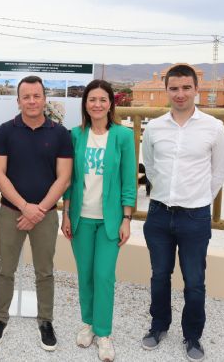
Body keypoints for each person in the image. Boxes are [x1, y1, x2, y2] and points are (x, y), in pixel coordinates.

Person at [141, 64, 224, 361]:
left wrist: (199, 199)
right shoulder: (154, 128)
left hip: (195, 216)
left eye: (186, 88)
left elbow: (218, 172)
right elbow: (150, 166)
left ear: (196, 89)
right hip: (159, 214)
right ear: (166, 90)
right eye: (174, 88)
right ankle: (158, 325)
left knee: (194, 281)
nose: (180, 94)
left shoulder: (214, 128)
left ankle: (192, 335)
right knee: (159, 275)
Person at [0, 75, 72, 352]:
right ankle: (0, 318)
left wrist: (40, 210)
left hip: (46, 214)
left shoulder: (60, 134)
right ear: (18, 100)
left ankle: (45, 321)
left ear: (45, 99)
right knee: (5, 269)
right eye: (26, 97)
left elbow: (64, 178)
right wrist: (25, 207)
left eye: (37, 96)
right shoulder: (5, 131)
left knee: (45, 271)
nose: (32, 101)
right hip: (11, 212)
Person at [61, 79, 136, 361]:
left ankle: (104, 333)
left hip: (110, 220)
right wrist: (66, 214)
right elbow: (69, 180)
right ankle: (89, 323)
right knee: (86, 274)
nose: (97, 104)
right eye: (92, 99)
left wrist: (126, 218)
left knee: (104, 276)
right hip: (81, 219)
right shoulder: (75, 135)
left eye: (103, 99)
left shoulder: (123, 136)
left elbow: (128, 180)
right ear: (85, 104)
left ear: (110, 103)